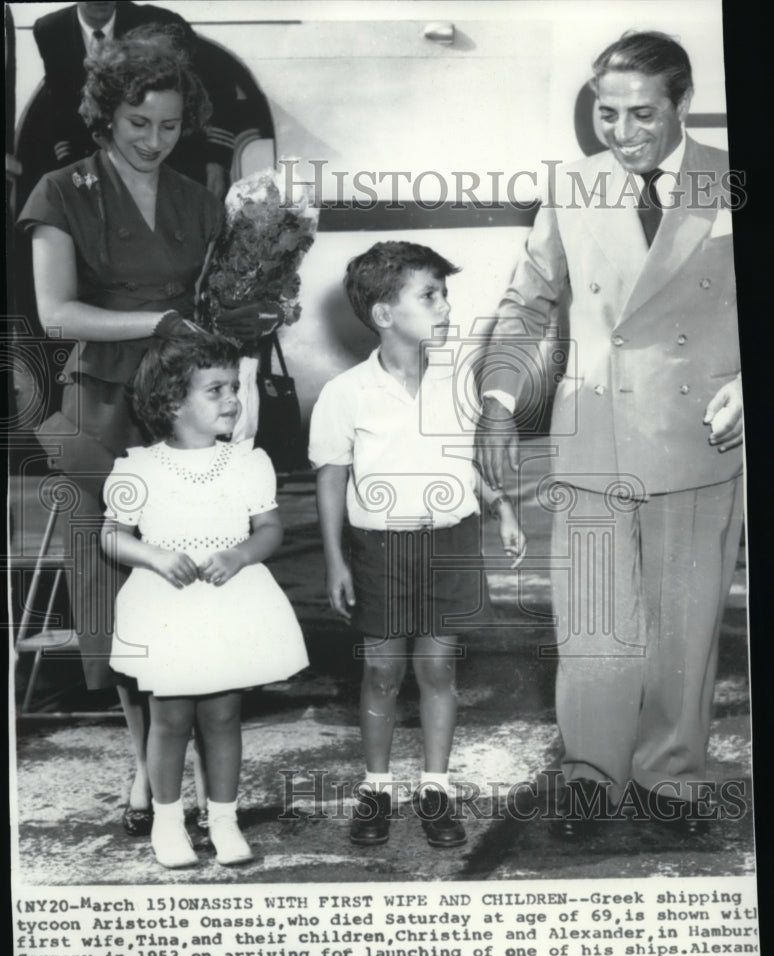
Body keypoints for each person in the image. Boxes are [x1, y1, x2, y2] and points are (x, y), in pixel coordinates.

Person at [476, 31, 744, 835]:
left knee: (683, 629)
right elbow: (527, 304)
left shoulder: (730, 176)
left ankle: (672, 781)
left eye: (641, 114)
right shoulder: (568, 187)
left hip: (701, 432)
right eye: (607, 113)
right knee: (593, 629)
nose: (621, 133)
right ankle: (591, 778)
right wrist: (496, 399)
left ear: (682, 103)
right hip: (591, 432)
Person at [17, 29, 277, 838]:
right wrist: (161, 320)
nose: (154, 141)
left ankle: (191, 770)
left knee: (192, 592)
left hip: (186, 419)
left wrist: (253, 323)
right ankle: (142, 768)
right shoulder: (62, 190)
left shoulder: (202, 200)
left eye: (168, 126)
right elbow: (57, 315)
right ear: (105, 114)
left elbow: (223, 314)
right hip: (95, 418)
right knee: (118, 594)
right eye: (138, 124)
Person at [309, 242, 526, 847]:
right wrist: (334, 561)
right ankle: (376, 790)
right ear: (383, 314)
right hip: (380, 549)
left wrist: (501, 506)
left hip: (451, 541)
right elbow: (331, 479)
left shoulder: (460, 380)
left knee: (437, 669)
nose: (444, 305)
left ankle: (436, 788)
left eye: (444, 293)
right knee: (381, 671)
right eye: (428, 295)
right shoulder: (345, 393)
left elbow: (464, 464)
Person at [101, 322, 307, 867]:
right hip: (167, 609)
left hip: (226, 605)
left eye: (234, 388)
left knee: (222, 718)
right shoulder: (138, 467)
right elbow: (112, 535)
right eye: (215, 390)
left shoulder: (245, 462)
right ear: (171, 401)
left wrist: (239, 555)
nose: (232, 400)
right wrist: (156, 556)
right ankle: (168, 824)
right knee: (168, 720)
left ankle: (223, 819)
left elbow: (270, 530)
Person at [32, 1, 237, 198]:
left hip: (166, 167)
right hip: (94, 170)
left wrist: (216, 159)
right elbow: (59, 105)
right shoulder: (50, 30)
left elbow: (221, 77)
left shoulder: (160, 22)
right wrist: (72, 168)